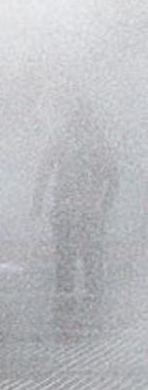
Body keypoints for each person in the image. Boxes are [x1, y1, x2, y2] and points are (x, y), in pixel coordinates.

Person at [31, 99, 120, 299]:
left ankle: (69, 297)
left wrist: (38, 202)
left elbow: (44, 171)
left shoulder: (65, 140)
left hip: (70, 206)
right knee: (88, 256)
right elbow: (114, 178)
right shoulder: (97, 142)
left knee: (67, 255)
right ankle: (88, 296)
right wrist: (104, 206)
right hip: (86, 208)